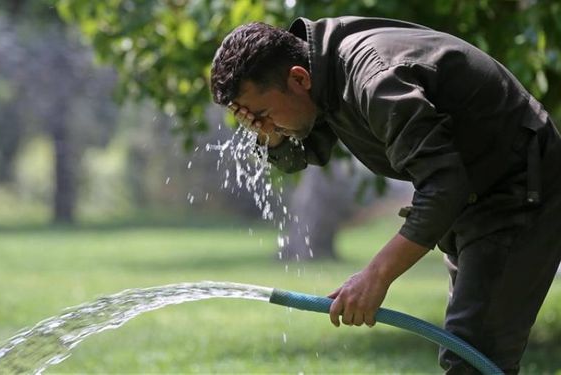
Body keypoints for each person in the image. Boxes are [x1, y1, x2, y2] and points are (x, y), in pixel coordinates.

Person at [209, 16, 561, 374]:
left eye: (264, 114)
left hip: (518, 186)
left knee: (474, 358)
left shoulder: (374, 77)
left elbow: (444, 186)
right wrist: (268, 131)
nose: (262, 127)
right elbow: (302, 151)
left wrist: (376, 275)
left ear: (299, 78)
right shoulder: (323, 74)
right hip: (475, 195)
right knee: (474, 351)